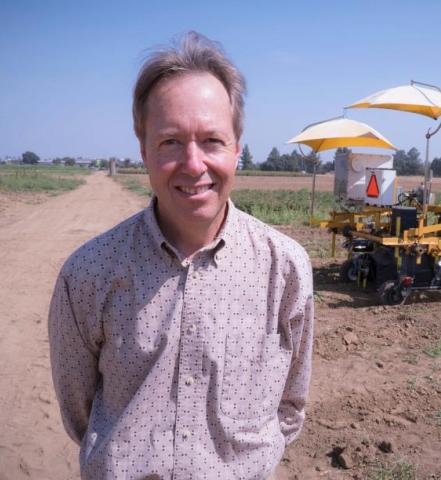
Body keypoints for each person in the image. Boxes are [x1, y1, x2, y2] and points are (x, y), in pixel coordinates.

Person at [48, 31, 314, 480]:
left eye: (212, 140)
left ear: (237, 149)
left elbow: (290, 406)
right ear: (144, 150)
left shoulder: (284, 268)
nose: (193, 164)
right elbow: (81, 413)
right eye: (170, 141)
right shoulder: (88, 273)